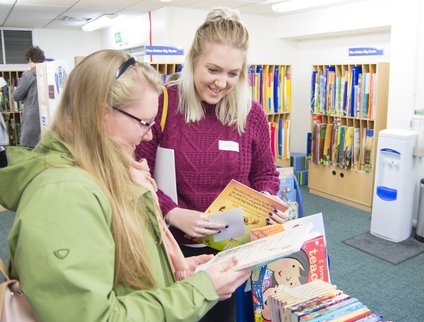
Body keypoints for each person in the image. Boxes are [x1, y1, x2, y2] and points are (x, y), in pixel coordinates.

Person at [0, 49, 251, 322]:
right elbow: (95, 317)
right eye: (144, 123)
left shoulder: (107, 171)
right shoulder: (64, 195)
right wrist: (199, 291)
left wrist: (176, 271)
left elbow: (117, 273)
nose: (148, 135)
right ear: (99, 113)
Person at [135, 7, 286, 321]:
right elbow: (135, 174)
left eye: (233, 74)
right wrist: (173, 213)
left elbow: (264, 173)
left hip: (230, 252)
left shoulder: (251, 113)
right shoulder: (164, 104)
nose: (222, 82)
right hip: (172, 250)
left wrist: (268, 197)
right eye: (213, 70)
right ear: (193, 61)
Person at [12, 45, 45, 148]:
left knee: (29, 148)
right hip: (46, 119)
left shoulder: (29, 74)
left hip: (32, 119)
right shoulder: (48, 72)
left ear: (29, 59)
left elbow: (16, 96)